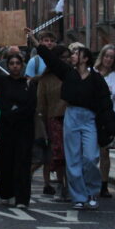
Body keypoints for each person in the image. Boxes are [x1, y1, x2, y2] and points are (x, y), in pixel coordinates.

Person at [31, 34, 112, 211]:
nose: (72, 56)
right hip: (72, 116)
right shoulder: (68, 73)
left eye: (76, 53)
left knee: (90, 157)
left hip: (89, 117)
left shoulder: (96, 78)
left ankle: (91, 192)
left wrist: (109, 125)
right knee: (73, 158)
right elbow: (51, 61)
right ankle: (79, 196)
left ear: (85, 58)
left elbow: (105, 102)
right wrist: (38, 44)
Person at [0, 48, 38, 208]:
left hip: (24, 129)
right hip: (6, 128)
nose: (15, 66)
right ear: (8, 65)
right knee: (3, 162)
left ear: (22, 65)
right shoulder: (3, 81)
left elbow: (31, 105)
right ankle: (5, 193)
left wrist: (15, 111)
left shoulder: (29, 84)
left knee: (23, 163)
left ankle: (22, 198)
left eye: (18, 63)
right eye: (12, 63)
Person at [36, 45, 71, 201]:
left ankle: (72, 185)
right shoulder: (46, 79)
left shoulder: (73, 74)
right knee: (60, 155)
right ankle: (62, 185)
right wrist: (42, 125)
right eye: (62, 57)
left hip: (73, 118)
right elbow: (41, 104)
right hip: (54, 119)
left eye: (67, 56)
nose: (65, 60)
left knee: (74, 154)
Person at [95, 45, 115, 198]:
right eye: (106, 56)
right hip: (92, 114)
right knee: (90, 152)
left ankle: (104, 184)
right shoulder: (92, 73)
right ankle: (90, 181)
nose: (108, 59)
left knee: (104, 152)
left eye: (111, 57)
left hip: (108, 116)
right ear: (102, 56)